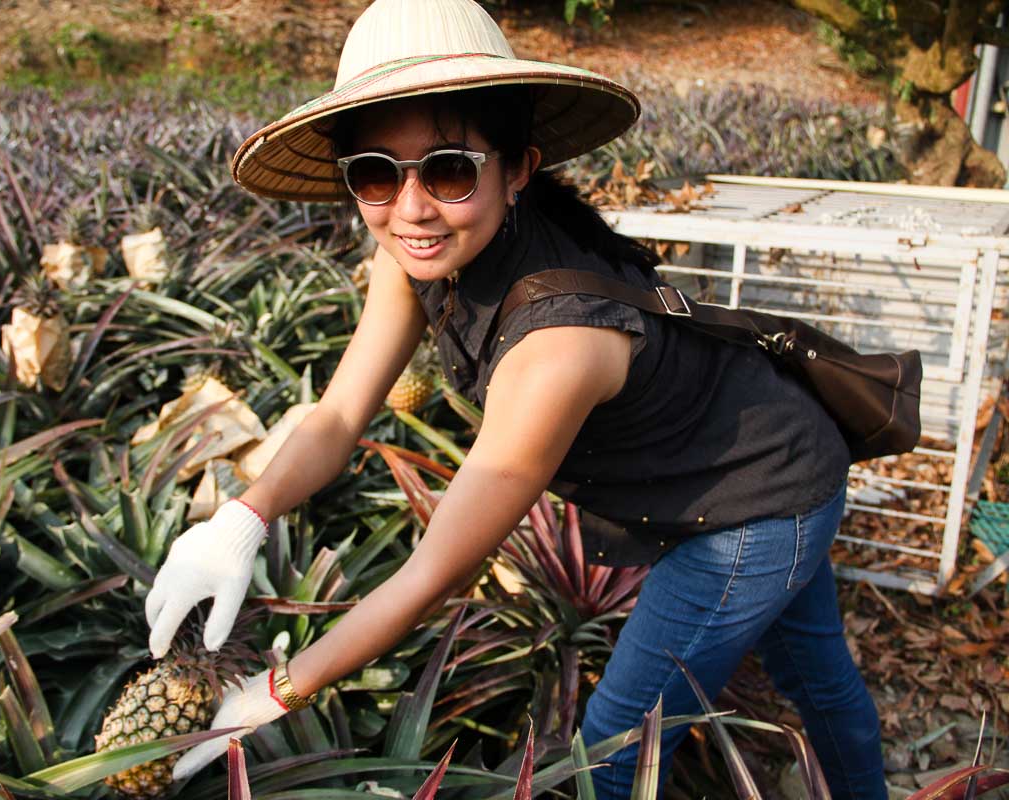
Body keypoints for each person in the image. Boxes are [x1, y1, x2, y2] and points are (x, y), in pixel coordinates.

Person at [142, 0, 887, 796]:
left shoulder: (555, 349)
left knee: (613, 745)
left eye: (450, 169)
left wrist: (273, 694)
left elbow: (433, 573)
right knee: (817, 677)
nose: (413, 207)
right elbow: (336, 415)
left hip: (754, 504)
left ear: (517, 167)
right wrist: (241, 521)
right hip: (775, 452)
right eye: (375, 175)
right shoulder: (420, 248)